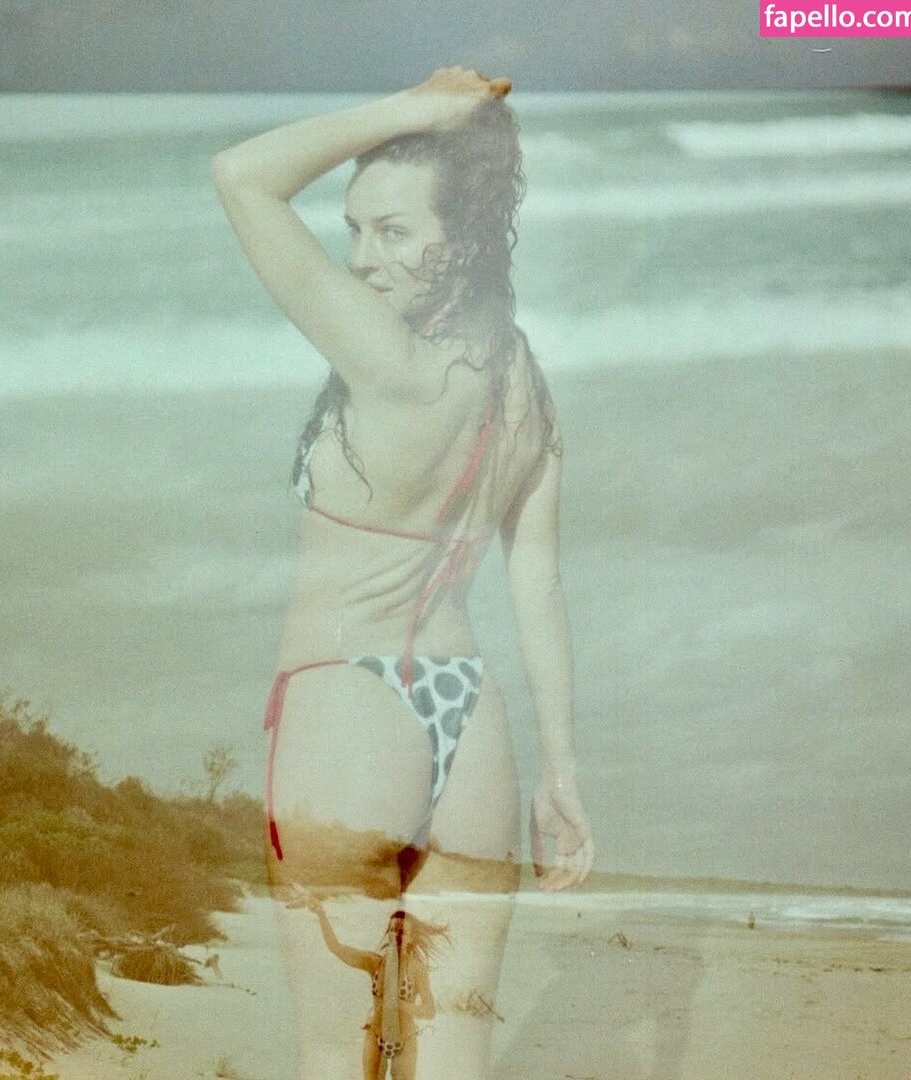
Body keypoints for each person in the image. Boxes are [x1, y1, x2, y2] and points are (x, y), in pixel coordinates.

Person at [212, 67, 594, 1078]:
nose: (362, 259)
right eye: (354, 230)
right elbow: (539, 585)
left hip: (346, 708)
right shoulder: (522, 383)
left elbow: (242, 174)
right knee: (455, 1057)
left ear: (459, 240)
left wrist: (415, 110)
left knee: (334, 1055)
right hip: (474, 725)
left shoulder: (386, 360)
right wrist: (559, 773)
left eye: (393, 232)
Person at [286, 886, 448, 1079]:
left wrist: (399, 1004)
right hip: (375, 1034)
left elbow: (429, 1011)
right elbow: (337, 948)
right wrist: (321, 914)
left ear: (412, 938)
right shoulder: (375, 963)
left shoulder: (416, 969)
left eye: (402, 932)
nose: (395, 935)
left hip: (405, 1039)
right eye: (392, 930)